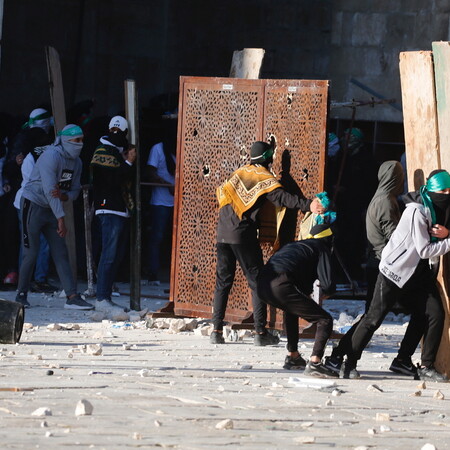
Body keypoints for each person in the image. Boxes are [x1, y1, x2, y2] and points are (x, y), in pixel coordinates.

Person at [210, 139, 325, 346]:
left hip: (222, 235)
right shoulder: (263, 177)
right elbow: (282, 198)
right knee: (257, 282)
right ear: (268, 158)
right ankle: (260, 332)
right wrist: (309, 205)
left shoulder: (238, 174)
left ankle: (216, 330)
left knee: (222, 282)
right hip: (242, 236)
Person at [339, 169, 450, 382]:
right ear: (432, 191)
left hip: (415, 274)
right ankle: (348, 363)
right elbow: (424, 249)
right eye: (442, 191)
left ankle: (415, 363)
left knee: (433, 314)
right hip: (394, 271)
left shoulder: (433, 209)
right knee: (373, 318)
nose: (446, 195)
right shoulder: (416, 212)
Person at [325, 161, 418, 376]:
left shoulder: (382, 198)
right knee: (372, 318)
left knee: (371, 317)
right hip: (384, 267)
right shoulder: (385, 202)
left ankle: (339, 356)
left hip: (379, 264)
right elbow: (396, 238)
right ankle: (344, 360)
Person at [15, 124, 93, 310]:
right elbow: (51, 190)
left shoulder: (77, 162)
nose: (80, 144)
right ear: (65, 141)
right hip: (33, 205)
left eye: (82, 140)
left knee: (60, 252)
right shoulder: (51, 156)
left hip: (53, 210)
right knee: (31, 253)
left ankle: (72, 296)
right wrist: (61, 218)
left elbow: (72, 191)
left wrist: (64, 197)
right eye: (76, 141)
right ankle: (21, 294)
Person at [257, 223, 337, 376]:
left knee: (291, 310)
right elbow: (328, 284)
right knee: (325, 320)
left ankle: (293, 355)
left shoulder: (296, 246)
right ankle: (315, 362)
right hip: (280, 284)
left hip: (261, 285)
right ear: (329, 239)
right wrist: (328, 291)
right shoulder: (322, 248)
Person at [2, 108, 53, 286]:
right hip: (33, 200)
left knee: (30, 242)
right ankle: (33, 279)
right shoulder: (32, 151)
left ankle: (28, 280)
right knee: (37, 242)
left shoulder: (29, 147)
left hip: (27, 200)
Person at [90, 116, 136, 311]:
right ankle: (102, 298)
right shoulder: (104, 151)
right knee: (108, 255)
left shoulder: (115, 151)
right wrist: (128, 163)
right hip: (108, 208)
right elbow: (112, 180)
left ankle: (106, 296)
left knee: (114, 255)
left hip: (117, 209)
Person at [14, 127, 55, 293]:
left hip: (33, 203)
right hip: (30, 204)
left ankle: (34, 280)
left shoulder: (31, 156)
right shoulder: (31, 157)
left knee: (35, 243)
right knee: (33, 243)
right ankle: (32, 281)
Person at [146, 120, 176, 286]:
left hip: (177, 203)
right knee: (157, 237)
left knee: (175, 239)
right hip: (160, 202)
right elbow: (150, 172)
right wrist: (167, 185)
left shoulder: (178, 148)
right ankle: (153, 273)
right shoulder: (158, 149)